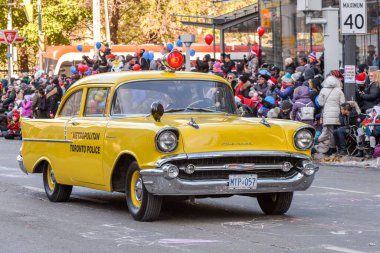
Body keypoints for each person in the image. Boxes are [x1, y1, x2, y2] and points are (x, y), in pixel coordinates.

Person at [317, 75, 345, 155]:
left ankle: (332, 148)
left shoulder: (323, 90)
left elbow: (320, 103)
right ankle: (335, 148)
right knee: (335, 132)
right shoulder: (339, 90)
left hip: (327, 114)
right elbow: (342, 103)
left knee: (330, 132)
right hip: (337, 114)